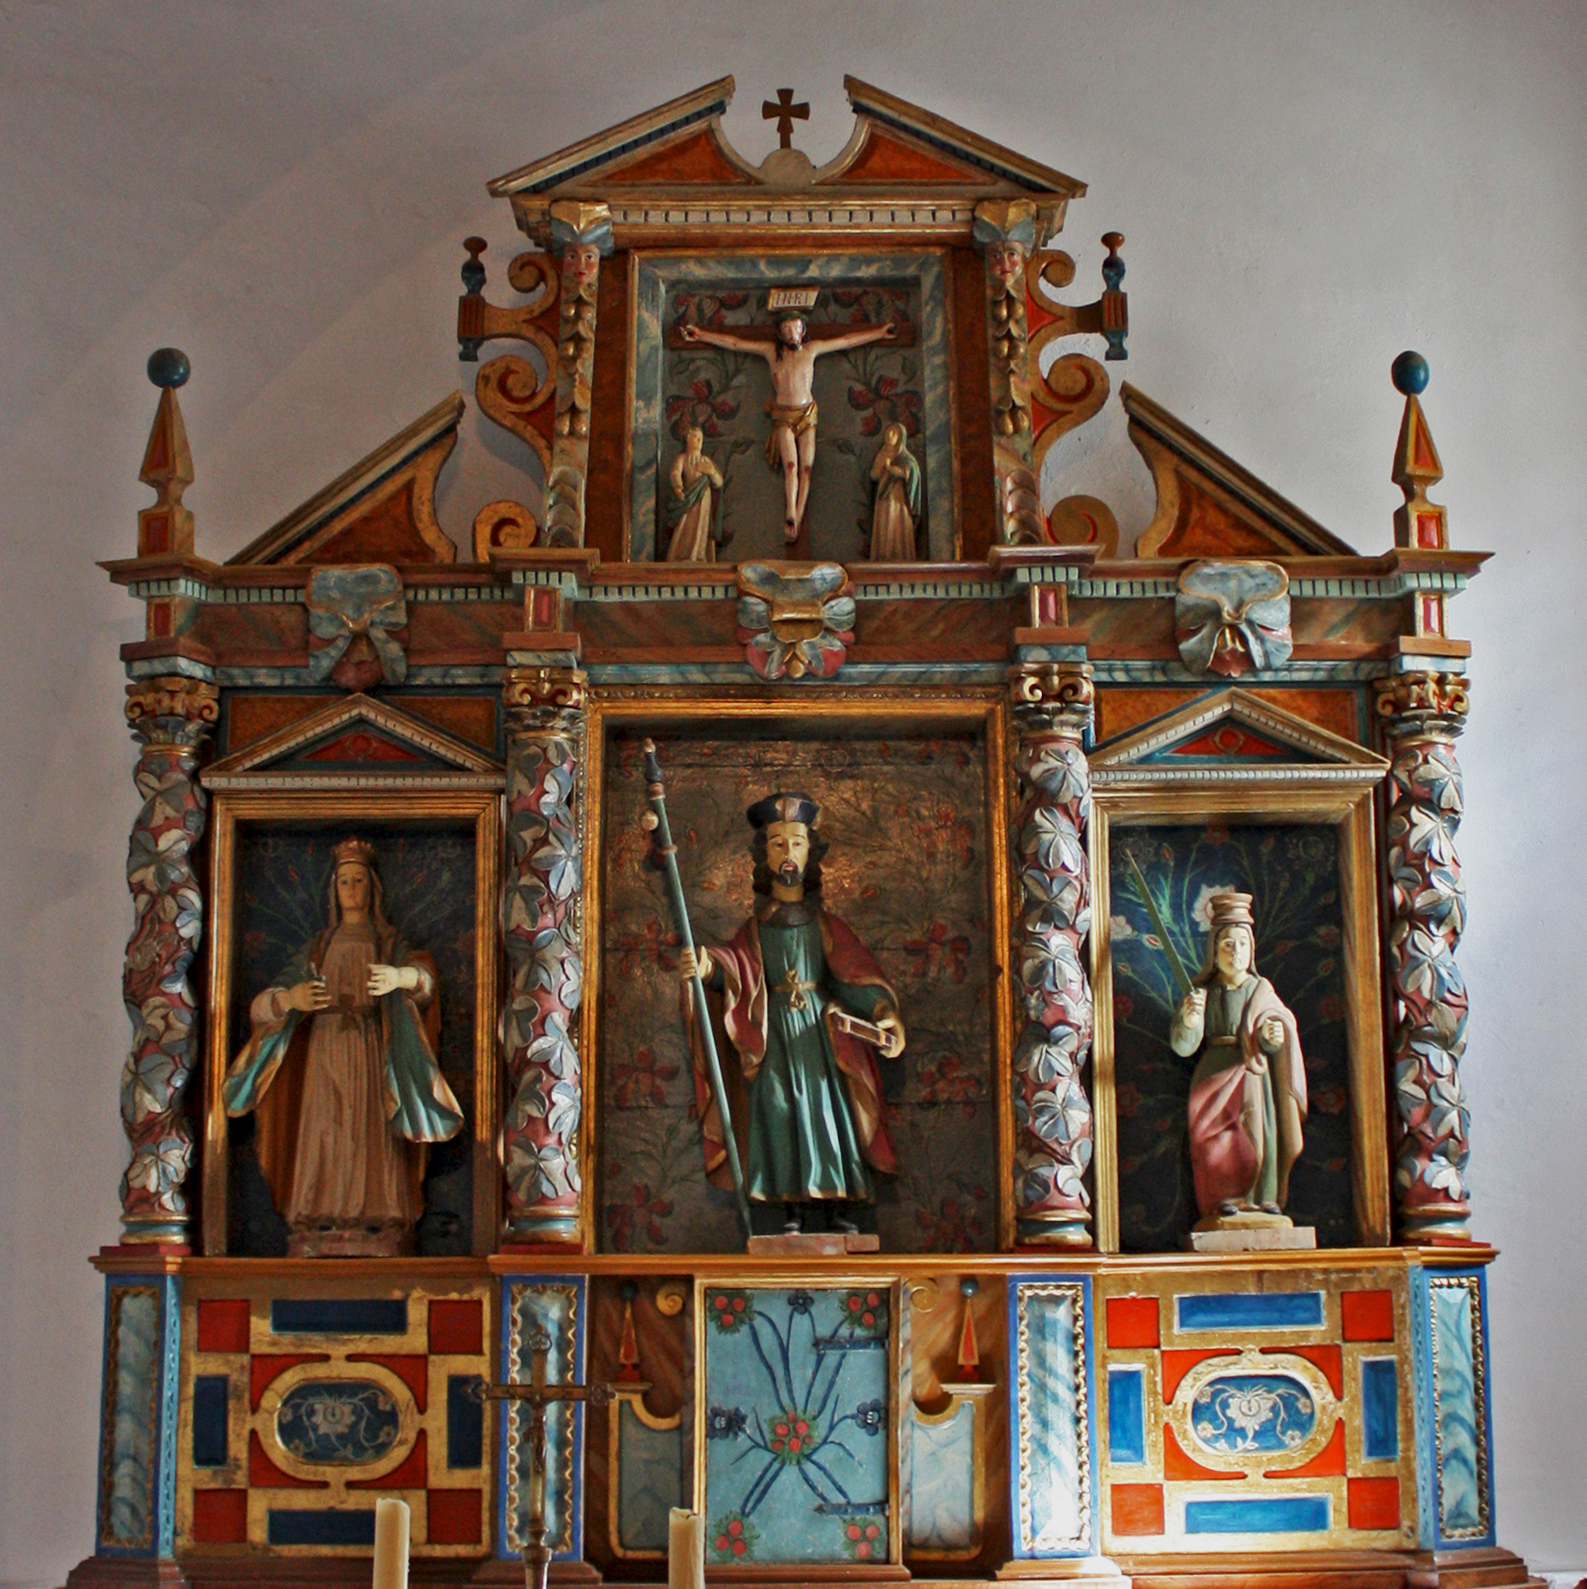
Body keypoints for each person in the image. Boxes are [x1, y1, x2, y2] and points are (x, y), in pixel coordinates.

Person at [677, 793, 904, 1235]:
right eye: (777, 843)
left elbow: (852, 975)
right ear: (763, 855)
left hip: (820, 1035)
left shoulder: (826, 925)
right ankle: (790, 1211)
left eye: (797, 843)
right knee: (779, 1111)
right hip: (773, 1033)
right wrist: (706, 967)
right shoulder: (757, 927)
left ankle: (835, 1207)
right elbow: (739, 968)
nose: (787, 852)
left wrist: (882, 1010)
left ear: (810, 853)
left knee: (825, 1112)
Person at [223, 837, 463, 1255]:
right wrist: (291, 998)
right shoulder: (318, 947)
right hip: (324, 1047)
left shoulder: (387, 942)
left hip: (372, 1047)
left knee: (369, 1128)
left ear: (373, 888)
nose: (351, 890)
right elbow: (264, 1005)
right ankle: (318, 1215)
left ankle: (379, 1216)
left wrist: (399, 978)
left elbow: (425, 980)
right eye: (344, 881)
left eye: (359, 880)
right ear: (333, 889)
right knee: (326, 1128)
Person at [682, 306, 897, 543]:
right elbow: (736, 343)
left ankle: (797, 516)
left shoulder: (811, 350)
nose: (792, 332)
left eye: (796, 327)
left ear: (803, 330)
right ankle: (790, 512)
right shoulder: (771, 352)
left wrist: (879, 333)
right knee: (791, 466)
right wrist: (701, 335)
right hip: (783, 415)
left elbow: (846, 341)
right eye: (786, 328)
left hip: (807, 414)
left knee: (807, 468)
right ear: (780, 333)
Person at [1169, 891, 1307, 1224]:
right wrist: (1190, 1020)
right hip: (1213, 1073)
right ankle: (1222, 1198)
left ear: (1252, 949)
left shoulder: (1261, 990)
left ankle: (1262, 1197)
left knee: (1259, 1134)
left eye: (1243, 944)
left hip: (1252, 1072)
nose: (1236, 952)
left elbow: (1277, 1025)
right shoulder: (1202, 993)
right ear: (1214, 951)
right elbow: (1184, 1047)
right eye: (1228, 944)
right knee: (1213, 1139)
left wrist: (1272, 1036)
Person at [666, 426, 727, 561]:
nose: (699, 440)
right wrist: (678, 487)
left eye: (701, 438)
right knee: (687, 524)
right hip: (689, 498)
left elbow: (719, 483)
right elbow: (675, 473)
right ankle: (682, 554)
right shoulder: (683, 458)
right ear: (688, 439)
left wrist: (712, 472)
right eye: (696, 437)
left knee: (702, 525)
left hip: (704, 498)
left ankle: (699, 555)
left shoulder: (705, 460)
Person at [867, 422, 921, 560]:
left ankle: (899, 553)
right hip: (883, 495)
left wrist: (892, 469)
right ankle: (883, 554)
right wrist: (880, 470)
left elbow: (911, 472)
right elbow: (873, 475)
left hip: (899, 496)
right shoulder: (882, 454)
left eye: (894, 433)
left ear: (900, 437)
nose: (889, 435)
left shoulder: (905, 457)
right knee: (884, 521)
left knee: (897, 521)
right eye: (888, 432)